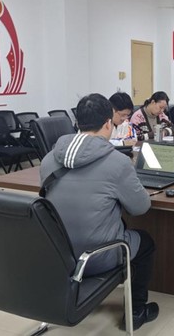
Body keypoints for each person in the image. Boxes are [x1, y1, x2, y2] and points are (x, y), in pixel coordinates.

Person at [39, 93, 158, 330]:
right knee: (146, 242)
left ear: (77, 122)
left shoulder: (49, 159)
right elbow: (140, 208)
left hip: (58, 254)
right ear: (107, 123)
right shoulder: (117, 162)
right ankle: (136, 311)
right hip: (97, 257)